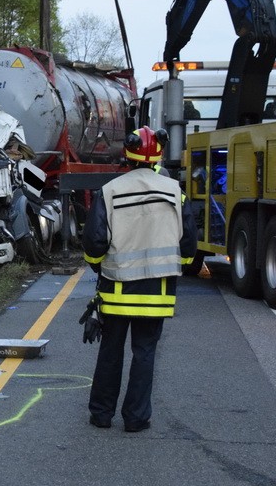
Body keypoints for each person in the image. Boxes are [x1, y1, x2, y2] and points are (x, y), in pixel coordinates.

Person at [83, 127, 197, 432]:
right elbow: (188, 248)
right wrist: (176, 266)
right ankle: (135, 418)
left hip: (116, 288)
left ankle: (101, 415)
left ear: (129, 153)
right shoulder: (175, 192)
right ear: (158, 153)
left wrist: (99, 267)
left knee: (111, 352)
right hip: (157, 292)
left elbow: (94, 243)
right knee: (144, 353)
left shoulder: (109, 191)